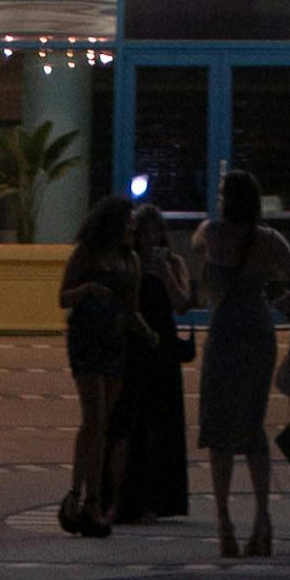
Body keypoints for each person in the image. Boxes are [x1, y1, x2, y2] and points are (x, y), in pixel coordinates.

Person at [183, 164, 290, 558]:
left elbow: (196, 247)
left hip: (224, 333)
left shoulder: (211, 233)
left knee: (218, 429)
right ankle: (262, 520)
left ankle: (224, 524)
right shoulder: (270, 240)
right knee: (254, 427)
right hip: (257, 332)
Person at [111, 192, 192, 527]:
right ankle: (129, 498)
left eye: (155, 232)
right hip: (135, 344)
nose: (149, 239)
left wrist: (165, 274)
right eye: (143, 233)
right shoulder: (128, 263)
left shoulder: (173, 263)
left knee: (163, 423)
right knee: (134, 422)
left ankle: (160, 498)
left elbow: (183, 304)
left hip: (164, 347)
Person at [55, 193, 132, 537]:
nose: (131, 230)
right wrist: (87, 289)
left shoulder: (129, 260)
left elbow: (131, 306)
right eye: (127, 224)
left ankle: (90, 499)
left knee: (102, 424)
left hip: (114, 341)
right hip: (86, 339)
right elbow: (62, 297)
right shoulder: (85, 254)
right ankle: (84, 497)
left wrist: (148, 334)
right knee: (94, 420)